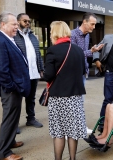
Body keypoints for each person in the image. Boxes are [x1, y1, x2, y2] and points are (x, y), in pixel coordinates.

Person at [43, 21, 86, 160]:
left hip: (59, 98)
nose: (50, 34)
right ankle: (73, 158)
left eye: (51, 32)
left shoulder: (52, 50)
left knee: (59, 132)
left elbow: (48, 75)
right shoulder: (78, 50)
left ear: (55, 33)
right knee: (73, 131)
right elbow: (83, 71)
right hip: (75, 97)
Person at [0, 12, 31, 160]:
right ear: (3, 24)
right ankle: (4, 152)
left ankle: (10, 141)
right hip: (11, 89)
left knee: (14, 117)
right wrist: (13, 87)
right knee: (9, 119)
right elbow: (2, 70)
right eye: (13, 24)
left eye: (16, 24)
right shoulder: (0, 41)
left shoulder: (8, 38)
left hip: (15, 88)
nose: (16, 27)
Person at [71, 12, 103, 133]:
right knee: (75, 101)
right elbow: (74, 55)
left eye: (95, 24)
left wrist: (92, 51)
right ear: (84, 22)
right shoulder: (72, 34)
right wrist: (90, 51)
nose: (94, 27)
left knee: (80, 100)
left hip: (83, 72)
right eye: (92, 24)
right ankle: (76, 127)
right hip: (74, 73)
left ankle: (79, 126)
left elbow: (83, 54)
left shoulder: (87, 35)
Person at [14, 13, 44, 130]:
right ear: (18, 22)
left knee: (31, 98)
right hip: (21, 74)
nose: (27, 23)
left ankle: (31, 119)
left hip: (34, 73)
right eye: (24, 21)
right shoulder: (14, 36)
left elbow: (38, 54)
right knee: (17, 99)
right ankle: (14, 124)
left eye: (29, 21)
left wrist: (41, 69)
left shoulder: (32, 36)